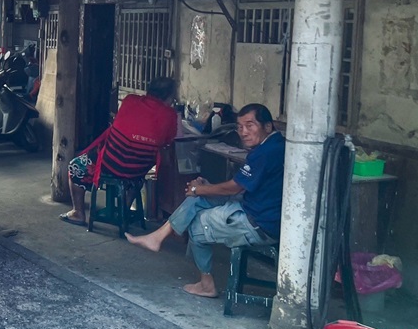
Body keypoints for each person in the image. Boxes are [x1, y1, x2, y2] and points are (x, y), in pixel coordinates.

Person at [125, 103, 285, 298]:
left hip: (259, 223)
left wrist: (199, 188)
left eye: (250, 125)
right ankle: (158, 237)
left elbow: (235, 186)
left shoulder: (267, 152)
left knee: (196, 225)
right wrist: (202, 190)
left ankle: (207, 284)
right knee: (198, 198)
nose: (243, 132)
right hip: (254, 207)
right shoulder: (273, 145)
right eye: (240, 126)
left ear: (267, 126)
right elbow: (239, 186)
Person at [59, 77, 180, 227]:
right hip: (137, 171)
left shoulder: (130, 100)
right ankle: (124, 210)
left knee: (75, 166)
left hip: (110, 164)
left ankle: (78, 212)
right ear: (169, 96)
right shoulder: (170, 115)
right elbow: (167, 141)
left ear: (149, 90)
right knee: (138, 173)